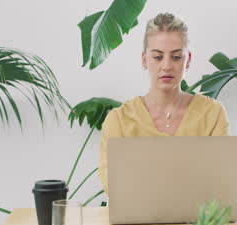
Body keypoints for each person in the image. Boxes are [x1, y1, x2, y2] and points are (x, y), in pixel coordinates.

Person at [98, 13, 230, 194]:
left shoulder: (212, 114)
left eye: (176, 57)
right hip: (136, 221)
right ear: (145, 59)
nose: (167, 66)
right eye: (158, 57)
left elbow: (220, 182)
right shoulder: (119, 120)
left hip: (197, 222)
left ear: (188, 59)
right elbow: (115, 187)